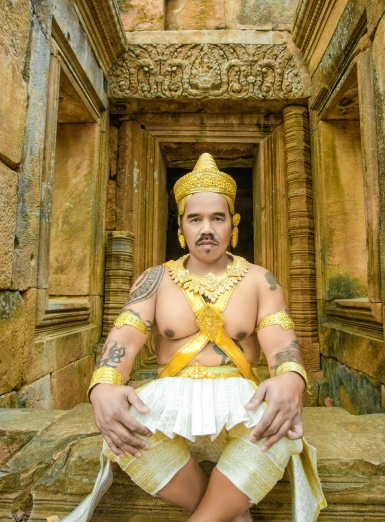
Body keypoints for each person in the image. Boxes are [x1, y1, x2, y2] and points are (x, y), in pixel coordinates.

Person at [64, 153, 325, 522]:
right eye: (195, 219)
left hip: (241, 398)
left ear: (233, 225)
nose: (207, 229)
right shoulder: (154, 280)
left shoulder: (259, 279)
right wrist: (102, 387)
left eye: (217, 218)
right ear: (180, 227)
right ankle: (227, 513)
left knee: (280, 430)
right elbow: (123, 337)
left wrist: (291, 379)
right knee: (123, 431)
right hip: (171, 394)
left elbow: (282, 344)